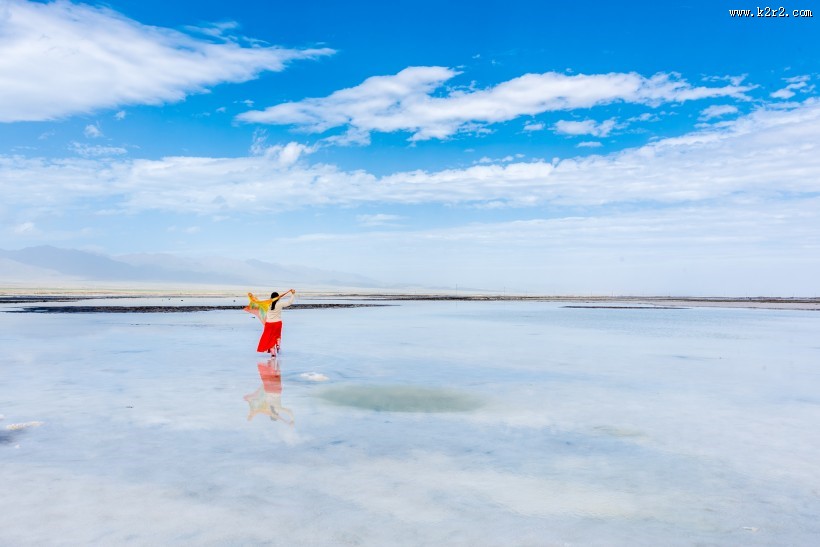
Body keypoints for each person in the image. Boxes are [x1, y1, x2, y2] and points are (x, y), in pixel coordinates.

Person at [256, 288, 296, 355]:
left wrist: (253, 298)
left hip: (269, 324)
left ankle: (273, 354)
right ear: (278, 298)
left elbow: (258, 304)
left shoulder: (267, 304)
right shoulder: (280, 304)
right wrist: (293, 294)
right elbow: (289, 302)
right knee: (277, 336)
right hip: (278, 323)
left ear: (271, 297)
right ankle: (278, 345)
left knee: (270, 339)